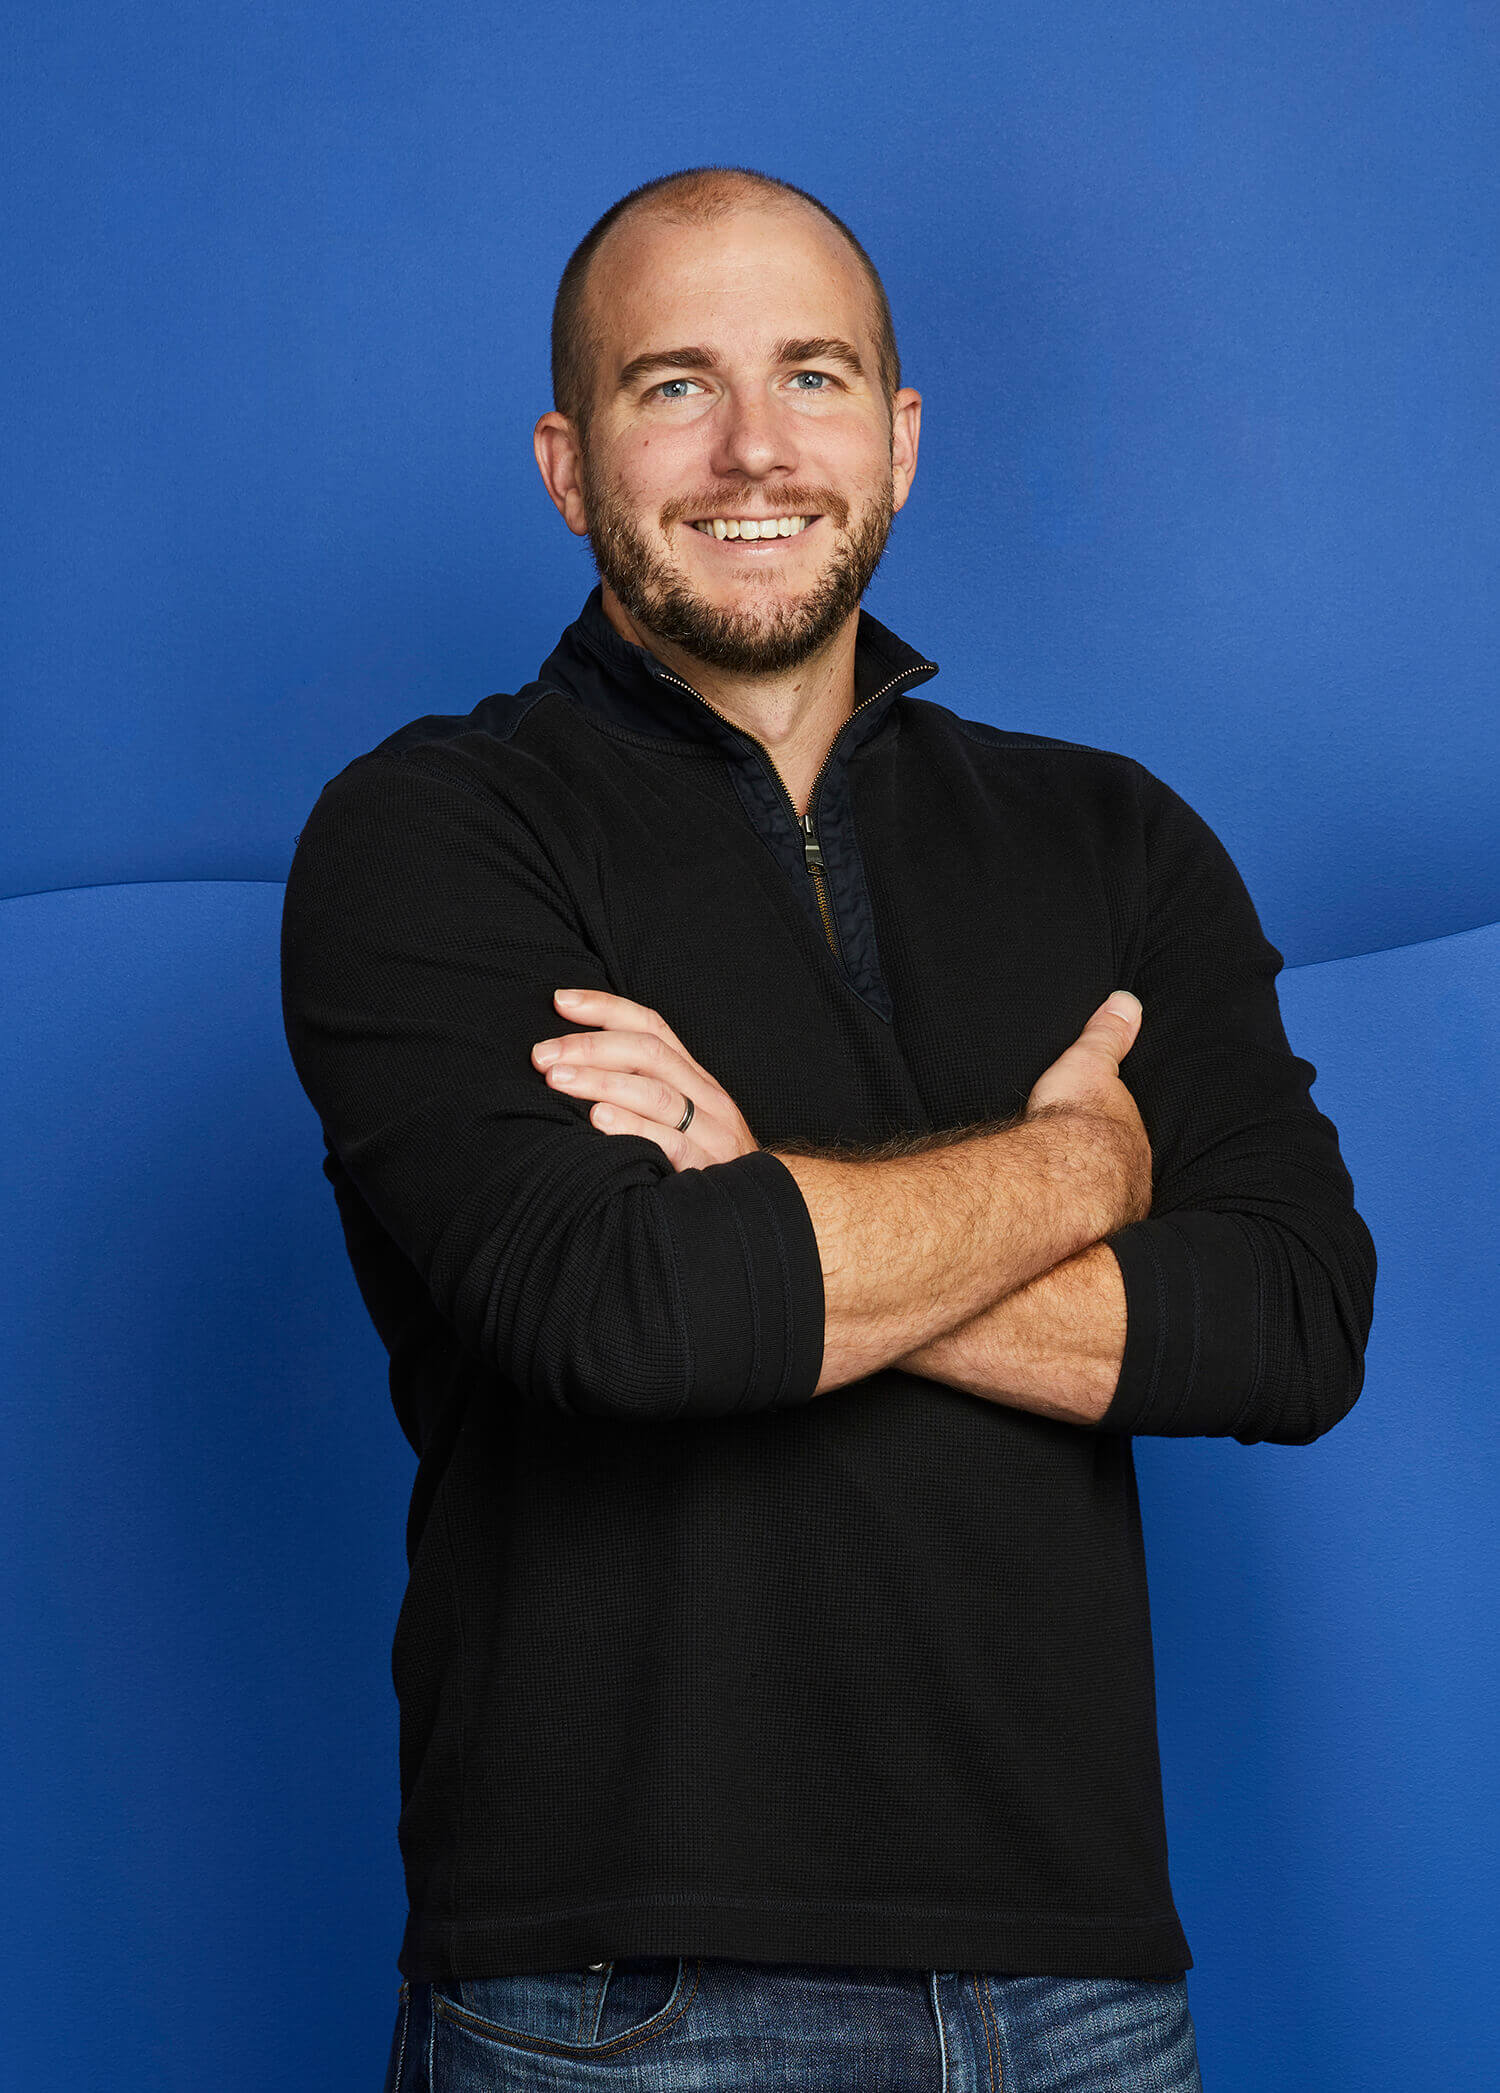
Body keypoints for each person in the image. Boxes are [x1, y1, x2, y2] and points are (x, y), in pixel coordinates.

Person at [280, 166, 1377, 2092]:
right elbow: (629, 1316)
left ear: (902, 436)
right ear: (567, 464)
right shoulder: (434, 833)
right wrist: (1083, 1171)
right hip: (622, 1992)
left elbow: (1290, 1323)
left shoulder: (1114, 838)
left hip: (1082, 1993)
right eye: (674, 386)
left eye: (814, 375)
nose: (757, 449)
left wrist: (754, 1188)